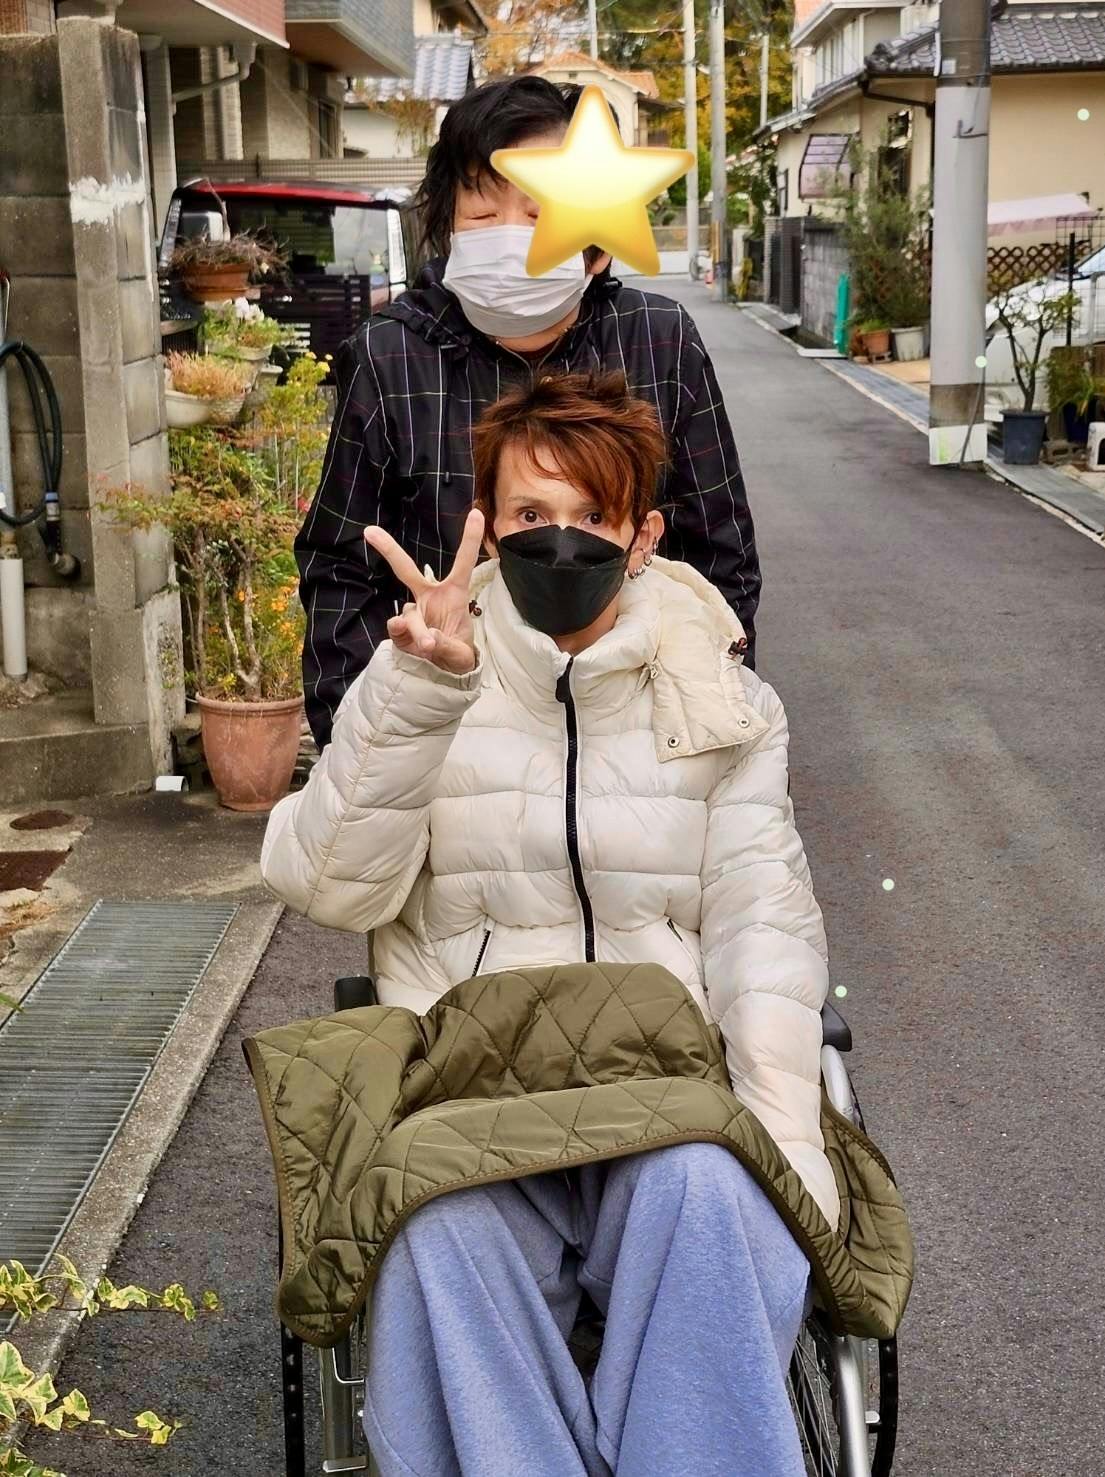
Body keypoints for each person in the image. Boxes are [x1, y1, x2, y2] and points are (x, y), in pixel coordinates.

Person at [262, 372, 835, 1477]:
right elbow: (328, 886)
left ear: (642, 536)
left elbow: (762, 939)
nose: (559, 539)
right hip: (471, 1087)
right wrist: (416, 695)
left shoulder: (724, 706)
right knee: (438, 1227)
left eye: (592, 515)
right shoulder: (423, 673)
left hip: (665, 1087)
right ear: (485, 523)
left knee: (712, 1195)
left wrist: (792, 1170)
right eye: (530, 512)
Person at [295, 73, 760, 750]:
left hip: (633, 747)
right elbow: (340, 566)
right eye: (483, 216)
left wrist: (712, 724)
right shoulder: (390, 356)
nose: (509, 237)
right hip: (452, 741)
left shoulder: (658, 342)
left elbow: (720, 553)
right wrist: (367, 742)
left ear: (598, 241)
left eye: (539, 214)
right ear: (448, 225)